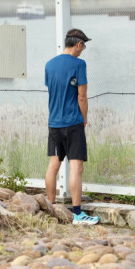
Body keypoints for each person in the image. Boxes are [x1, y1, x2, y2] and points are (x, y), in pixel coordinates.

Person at [44, 28, 99, 226]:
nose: (83, 50)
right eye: (83, 46)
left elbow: (53, 90)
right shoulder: (79, 64)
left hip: (54, 123)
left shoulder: (49, 64)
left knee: (54, 164)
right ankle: (77, 214)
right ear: (78, 44)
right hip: (73, 123)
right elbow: (81, 97)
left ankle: (50, 208)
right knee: (76, 167)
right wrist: (84, 118)